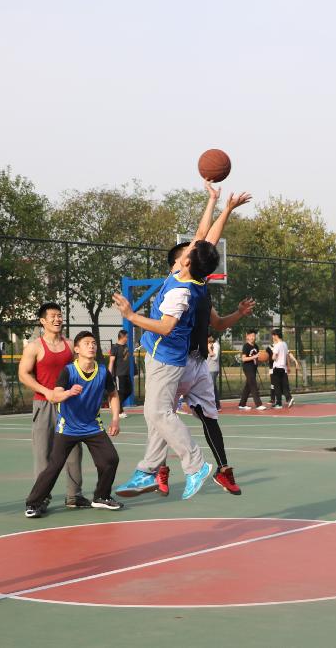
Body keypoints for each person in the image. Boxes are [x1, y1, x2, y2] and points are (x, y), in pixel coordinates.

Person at [112, 185, 249, 500]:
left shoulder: (181, 291)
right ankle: (148, 470)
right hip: (176, 358)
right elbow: (204, 236)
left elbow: (165, 326)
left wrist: (131, 316)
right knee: (156, 415)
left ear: (186, 262)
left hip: (170, 358)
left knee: (159, 414)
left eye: (189, 249)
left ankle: (194, 465)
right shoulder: (192, 276)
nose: (190, 245)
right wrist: (218, 204)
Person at [157, 240, 256, 496]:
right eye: (188, 255)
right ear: (178, 264)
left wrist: (239, 313)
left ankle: (223, 470)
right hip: (174, 363)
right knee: (164, 418)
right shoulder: (174, 288)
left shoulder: (201, 291)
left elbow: (219, 324)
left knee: (210, 416)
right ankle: (159, 469)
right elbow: (204, 234)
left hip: (198, 362)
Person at [25, 331, 122, 515]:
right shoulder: (68, 371)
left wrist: (115, 419)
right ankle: (34, 503)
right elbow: (55, 396)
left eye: (94, 343)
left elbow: (113, 394)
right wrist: (68, 393)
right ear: (77, 349)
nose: (91, 346)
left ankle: (101, 496)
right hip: (68, 427)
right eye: (87, 343)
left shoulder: (102, 371)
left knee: (110, 459)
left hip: (92, 425)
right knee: (54, 465)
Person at [18, 301, 88, 514]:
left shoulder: (70, 345)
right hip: (44, 404)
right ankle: (39, 499)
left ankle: (74, 496)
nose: (57, 319)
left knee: (74, 451)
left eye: (59, 315)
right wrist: (47, 392)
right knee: (43, 455)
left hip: (69, 406)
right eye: (53, 316)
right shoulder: (35, 347)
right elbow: (23, 374)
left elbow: (81, 370)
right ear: (43, 321)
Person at [269, 329, 299, 409]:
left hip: (277, 368)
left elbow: (274, 357)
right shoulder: (284, 344)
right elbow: (287, 356)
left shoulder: (277, 345)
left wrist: (274, 357)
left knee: (277, 386)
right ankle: (289, 398)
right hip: (283, 368)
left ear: (276, 336)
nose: (272, 337)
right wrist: (288, 366)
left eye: (273, 335)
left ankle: (279, 403)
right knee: (284, 386)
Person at [238, 329, 266, 411]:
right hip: (247, 367)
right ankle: (258, 404)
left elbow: (257, 358)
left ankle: (242, 404)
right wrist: (254, 356)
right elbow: (243, 359)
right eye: (251, 336)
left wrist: (262, 359)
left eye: (254, 336)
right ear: (247, 336)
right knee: (253, 385)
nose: (253, 337)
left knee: (248, 386)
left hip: (253, 368)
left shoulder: (256, 346)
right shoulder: (246, 346)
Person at [107, 329, 132, 418]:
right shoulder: (115, 347)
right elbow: (111, 361)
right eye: (126, 337)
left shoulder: (126, 346)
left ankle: (114, 402)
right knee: (120, 393)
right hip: (119, 374)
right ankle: (119, 411)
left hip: (126, 373)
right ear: (122, 337)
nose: (127, 338)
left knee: (129, 391)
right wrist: (109, 375)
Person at [207, 334, 221, 411]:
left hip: (213, 369)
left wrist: (209, 348)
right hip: (206, 369)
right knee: (211, 387)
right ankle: (215, 405)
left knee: (211, 387)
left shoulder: (215, 345)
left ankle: (215, 405)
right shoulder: (206, 344)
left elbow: (215, 357)